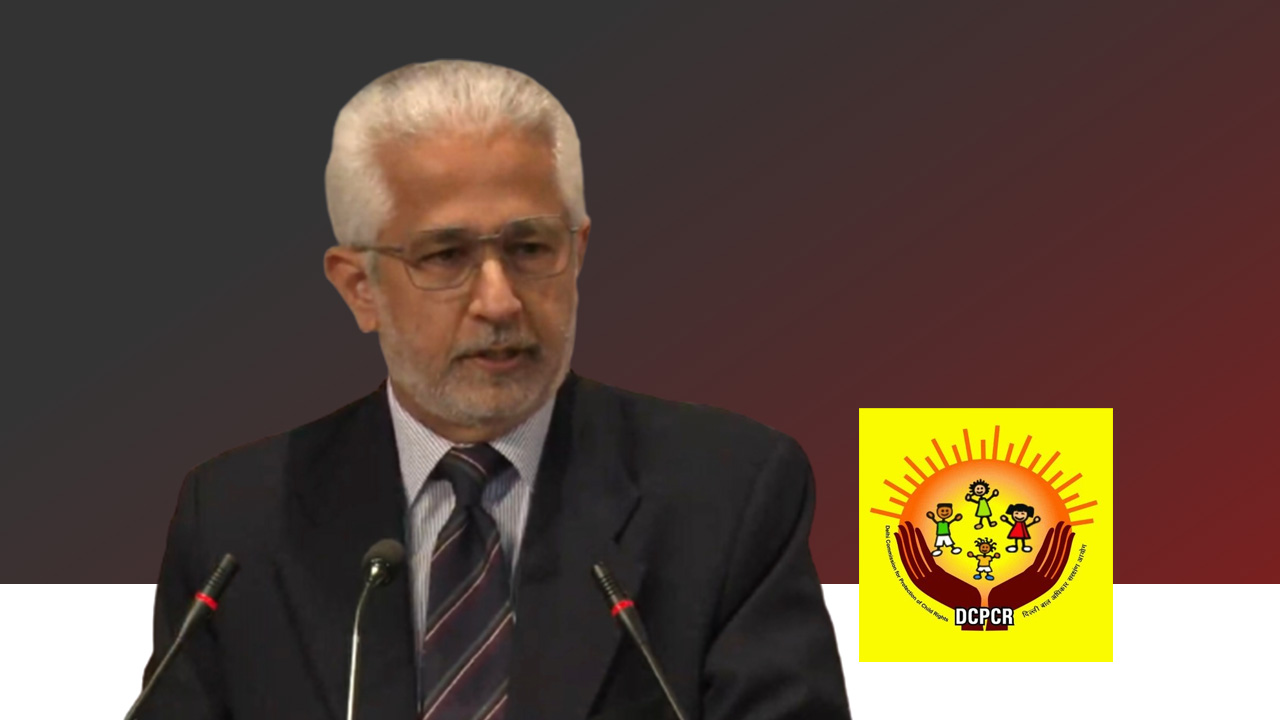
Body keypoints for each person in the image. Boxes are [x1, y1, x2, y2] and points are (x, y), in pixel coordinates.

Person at [142, 60, 850, 720]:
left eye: (531, 249)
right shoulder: (237, 520)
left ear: (578, 253)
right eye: (445, 256)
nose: (500, 300)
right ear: (360, 287)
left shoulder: (728, 494)